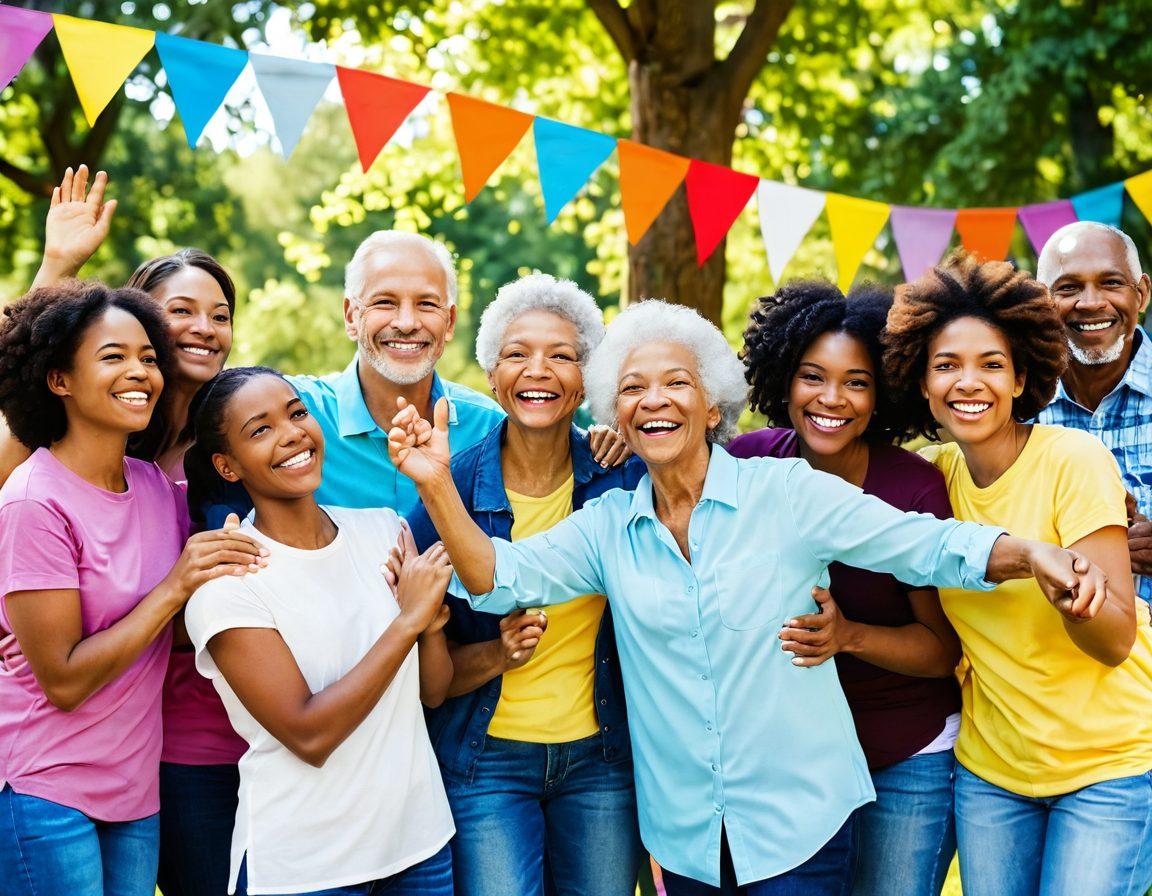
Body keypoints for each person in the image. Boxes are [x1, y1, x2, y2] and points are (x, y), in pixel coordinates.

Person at [384, 298, 1105, 896]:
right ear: (618, 416)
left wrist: (1030, 553)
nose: (654, 399)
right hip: (688, 837)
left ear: (711, 407)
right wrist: (436, 483)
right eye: (632, 388)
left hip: (799, 824)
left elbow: (924, 543)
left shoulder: (785, 491)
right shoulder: (607, 527)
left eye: (676, 383)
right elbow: (497, 578)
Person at [3, 165, 252, 896]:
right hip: (53, 776)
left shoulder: (162, 480)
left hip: (138, 783)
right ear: (63, 377)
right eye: (116, 356)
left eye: (219, 313)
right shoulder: (39, 491)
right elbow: (63, 675)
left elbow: (187, 608)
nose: (200, 328)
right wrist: (56, 267)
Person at [883, 253, 1152, 896]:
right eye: (946, 366)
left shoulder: (1073, 459)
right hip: (993, 775)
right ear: (922, 382)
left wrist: (1073, 598)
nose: (968, 382)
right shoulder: (929, 480)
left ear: (1020, 377)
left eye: (991, 364)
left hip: (1111, 766)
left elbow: (1115, 641)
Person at [406, 273, 645, 896]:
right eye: (517, 354)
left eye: (561, 356)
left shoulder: (624, 482)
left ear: (586, 379)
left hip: (603, 758)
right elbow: (429, 676)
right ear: (492, 375)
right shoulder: (448, 490)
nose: (538, 370)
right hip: (485, 760)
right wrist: (497, 652)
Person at [182, 366, 456, 896]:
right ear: (227, 466)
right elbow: (310, 735)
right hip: (307, 869)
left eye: (297, 413)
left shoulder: (384, 528)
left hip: (419, 848)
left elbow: (433, 691)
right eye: (261, 429)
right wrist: (409, 621)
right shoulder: (229, 585)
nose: (291, 433)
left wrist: (430, 628)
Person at [727, 281, 960, 896]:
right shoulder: (746, 464)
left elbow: (941, 650)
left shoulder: (911, 488)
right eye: (813, 377)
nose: (832, 398)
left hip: (903, 754)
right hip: (789, 762)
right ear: (783, 380)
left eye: (856, 382)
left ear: (881, 393)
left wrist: (847, 636)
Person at [1035, 221, 1152, 604]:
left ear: (1142, 294)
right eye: (1068, 288)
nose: (1090, 303)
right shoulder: (1014, 407)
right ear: (1042, 301)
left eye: (1111, 283)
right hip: (1058, 638)